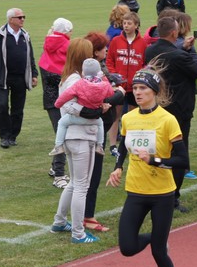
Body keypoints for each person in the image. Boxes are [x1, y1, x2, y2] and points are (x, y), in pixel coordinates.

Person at [107, 67, 189, 267]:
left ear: (154, 91)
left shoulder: (167, 120)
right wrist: (118, 167)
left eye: (143, 88)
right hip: (136, 191)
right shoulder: (129, 118)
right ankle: (157, 238)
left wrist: (154, 160)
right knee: (127, 247)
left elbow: (182, 160)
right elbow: (124, 145)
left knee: (158, 252)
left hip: (162, 193)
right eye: (136, 88)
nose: (138, 92)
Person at [144, 14, 197, 212]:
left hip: (157, 108)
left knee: (158, 151)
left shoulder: (150, 50)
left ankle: (155, 193)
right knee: (179, 155)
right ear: (174, 33)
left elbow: (170, 60)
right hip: (179, 110)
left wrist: (184, 48)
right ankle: (173, 198)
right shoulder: (178, 56)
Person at [50, 38, 101, 244]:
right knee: (82, 185)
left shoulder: (70, 77)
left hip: (73, 136)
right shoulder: (75, 80)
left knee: (74, 183)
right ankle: (78, 233)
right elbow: (71, 107)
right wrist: (95, 111)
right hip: (80, 136)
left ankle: (60, 221)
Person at [81, 32, 126, 232]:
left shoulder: (95, 70)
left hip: (97, 130)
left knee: (86, 178)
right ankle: (86, 217)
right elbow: (102, 101)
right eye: (103, 48)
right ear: (95, 52)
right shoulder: (91, 74)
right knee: (89, 178)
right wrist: (118, 94)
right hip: (92, 133)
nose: (106, 50)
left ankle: (72, 218)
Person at [0, 7, 38, 148]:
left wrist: (34, 74)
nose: (22, 19)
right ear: (10, 19)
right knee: (2, 105)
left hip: (21, 77)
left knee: (18, 109)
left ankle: (13, 135)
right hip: (3, 76)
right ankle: (4, 136)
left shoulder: (25, 35)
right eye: (19, 17)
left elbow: (30, 56)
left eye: (23, 17)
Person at [50, 58, 113, 157]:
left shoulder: (79, 84)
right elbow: (110, 93)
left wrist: (57, 104)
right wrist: (104, 79)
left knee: (62, 122)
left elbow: (66, 95)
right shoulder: (104, 85)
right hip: (95, 118)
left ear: (83, 72)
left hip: (79, 117)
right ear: (99, 72)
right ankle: (99, 145)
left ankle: (58, 145)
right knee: (101, 123)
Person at [105, 12, 147, 155]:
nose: (126, 26)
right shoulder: (116, 41)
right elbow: (109, 60)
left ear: (136, 25)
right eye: (124, 23)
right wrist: (114, 76)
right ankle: (113, 145)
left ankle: (130, 144)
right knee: (115, 115)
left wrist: (139, 77)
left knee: (133, 116)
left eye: (129, 23)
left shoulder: (143, 43)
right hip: (119, 86)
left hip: (135, 86)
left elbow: (145, 63)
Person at [38, 17, 73, 188]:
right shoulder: (67, 48)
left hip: (50, 100)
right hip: (61, 100)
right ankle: (59, 174)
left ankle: (55, 167)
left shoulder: (48, 48)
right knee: (63, 137)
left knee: (62, 134)